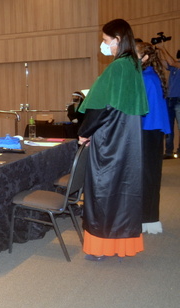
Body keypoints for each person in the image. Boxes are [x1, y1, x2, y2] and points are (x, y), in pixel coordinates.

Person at [77, 18, 148, 261]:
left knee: (103, 191)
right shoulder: (133, 66)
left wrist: (85, 132)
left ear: (117, 40)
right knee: (123, 191)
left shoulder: (117, 67)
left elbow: (101, 106)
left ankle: (100, 247)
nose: (103, 44)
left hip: (110, 138)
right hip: (128, 139)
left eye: (106, 40)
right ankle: (121, 244)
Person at [136, 41, 171, 234]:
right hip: (152, 130)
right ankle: (148, 218)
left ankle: (146, 218)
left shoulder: (145, 78)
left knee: (146, 177)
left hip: (148, 130)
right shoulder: (150, 75)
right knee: (149, 176)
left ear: (145, 58)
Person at [158, 43, 180, 158]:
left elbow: (171, 62)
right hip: (170, 99)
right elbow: (164, 62)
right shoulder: (175, 66)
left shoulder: (176, 64)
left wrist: (163, 48)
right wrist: (157, 52)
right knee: (168, 127)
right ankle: (169, 151)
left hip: (179, 99)